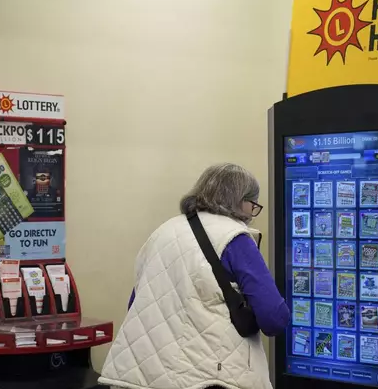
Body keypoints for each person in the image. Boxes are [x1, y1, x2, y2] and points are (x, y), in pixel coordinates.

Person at [99, 163, 290, 389]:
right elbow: (273, 319)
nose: (251, 215)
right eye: (253, 205)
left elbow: (138, 303)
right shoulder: (235, 239)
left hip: (142, 376)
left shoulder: (162, 232)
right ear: (241, 201)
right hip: (207, 377)